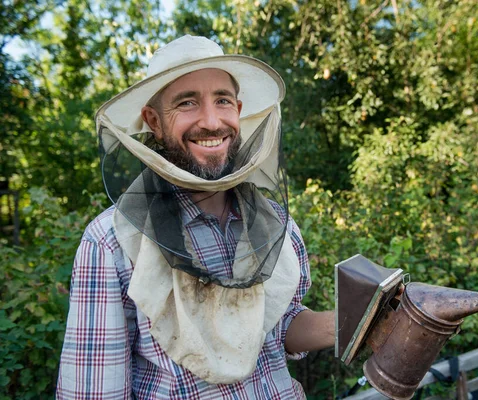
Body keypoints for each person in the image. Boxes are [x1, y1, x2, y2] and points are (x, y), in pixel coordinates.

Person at [56, 35, 334, 399]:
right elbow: (93, 392)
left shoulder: (275, 223)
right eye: (187, 103)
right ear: (153, 121)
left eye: (222, 100)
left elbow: (277, 328)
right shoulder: (111, 241)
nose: (211, 121)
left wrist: (363, 321)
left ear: (238, 108)